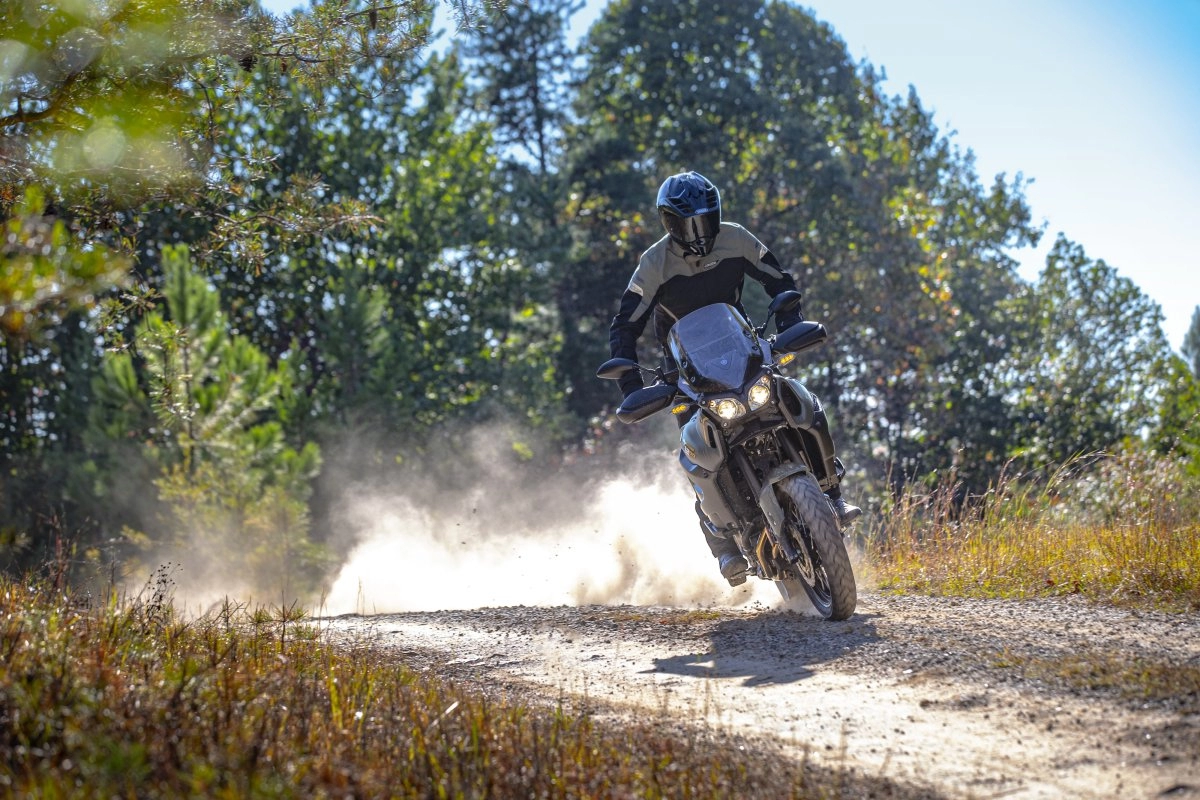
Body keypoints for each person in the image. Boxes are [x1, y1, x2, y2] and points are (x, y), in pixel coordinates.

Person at [608, 170, 860, 584]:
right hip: (685, 372)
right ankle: (724, 546)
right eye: (687, 224)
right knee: (697, 452)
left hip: (742, 351)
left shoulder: (737, 238)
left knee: (803, 404)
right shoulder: (653, 264)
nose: (699, 231)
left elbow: (779, 280)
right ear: (669, 223)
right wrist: (633, 386)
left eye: (706, 219)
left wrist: (790, 322)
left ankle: (832, 492)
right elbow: (625, 326)